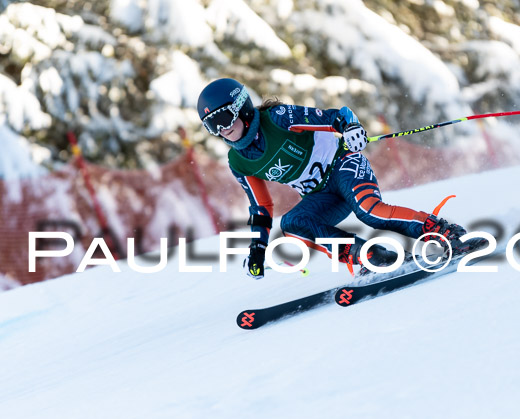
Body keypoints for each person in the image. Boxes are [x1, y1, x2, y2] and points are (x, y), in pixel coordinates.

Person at [197, 78, 471, 279]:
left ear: (241, 107)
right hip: (322, 196)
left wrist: (350, 128)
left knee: (369, 212)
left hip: (343, 165)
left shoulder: (278, 118)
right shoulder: (238, 162)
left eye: (224, 117)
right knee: (293, 224)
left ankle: (443, 232)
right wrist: (258, 246)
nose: (222, 129)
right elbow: (261, 208)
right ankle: (369, 257)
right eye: (212, 125)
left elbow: (337, 116)